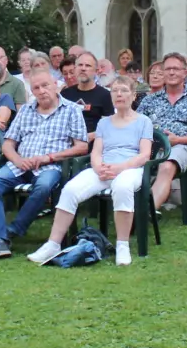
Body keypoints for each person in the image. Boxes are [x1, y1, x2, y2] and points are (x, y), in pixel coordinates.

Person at [27, 77, 155, 267]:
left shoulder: (144, 121)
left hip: (130, 168)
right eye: (114, 91)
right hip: (103, 168)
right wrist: (98, 167)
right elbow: (96, 152)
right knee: (70, 189)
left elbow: (144, 155)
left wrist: (120, 168)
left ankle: (122, 245)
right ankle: (53, 244)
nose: (119, 94)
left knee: (122, 187)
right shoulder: (104, 123)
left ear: (133, 95)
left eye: (123, 90)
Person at [0, 68, 89, 259]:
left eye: (45, 85)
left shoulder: (72, 110)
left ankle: (12, 231)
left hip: (50, 165)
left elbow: (81, 147)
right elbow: (8, 144)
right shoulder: (25, 110)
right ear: (32, 91)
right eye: (36, 87)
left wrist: (49, 157)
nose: (42, 91)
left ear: (55, 86)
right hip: (20, 163)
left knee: (43, 186)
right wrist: (18, 160)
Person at [139, 52, 187, 212]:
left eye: (176, 69)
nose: (171, 72)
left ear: (185, 72)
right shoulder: (149, 100)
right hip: (149, 147)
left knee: (166, 166)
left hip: (180, 148)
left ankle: (144, 213)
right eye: (167, 69)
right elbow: (135, 127)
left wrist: (178, 140)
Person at [61, 51, 113, 135]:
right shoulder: (64, 95)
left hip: (94, 143)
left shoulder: (105, 95)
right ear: (75, 69)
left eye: (88, 65)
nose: (83, 68)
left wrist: (89, 137)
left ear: (96, 71)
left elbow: (108, 126)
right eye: (80, 65)